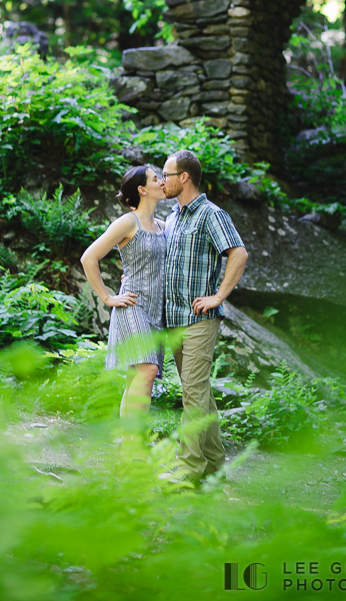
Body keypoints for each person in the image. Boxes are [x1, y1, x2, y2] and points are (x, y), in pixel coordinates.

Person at [161, 150, 248, 482]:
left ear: (184, 177)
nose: (163, 180)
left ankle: (189, 470)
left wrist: (219, 295)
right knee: (199, 392)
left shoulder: (211, 214)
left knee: (193, 394)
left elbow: (238, 253)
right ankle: (214, 466)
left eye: (167, 174)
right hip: (175, 319)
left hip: (199, 320)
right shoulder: (174, 217)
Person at [80, 166, 166, 418]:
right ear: (142, 190)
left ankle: (127, 448)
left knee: (136, 377)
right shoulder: (129, 221)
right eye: (154, 179)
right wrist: (108, 297)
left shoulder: (163, 225)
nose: (161, 182)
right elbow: (89, 258)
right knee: (148, 371)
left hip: (155, 311)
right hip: (132, 305)